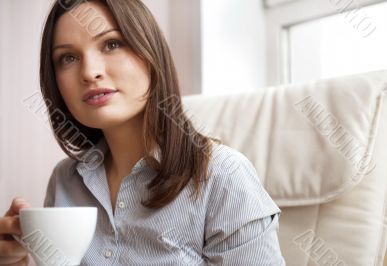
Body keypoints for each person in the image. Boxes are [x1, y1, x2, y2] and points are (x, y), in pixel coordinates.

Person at [0, 0, 285, 265]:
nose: (89, 72)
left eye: (112, 44)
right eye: (68, 58)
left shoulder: (224, 178)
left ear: (151, 54)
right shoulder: (65, 182)